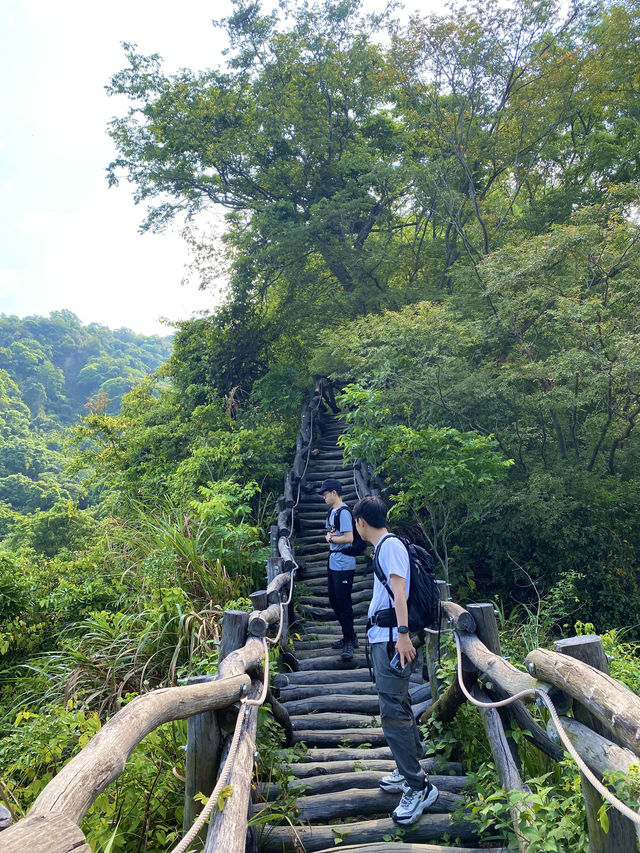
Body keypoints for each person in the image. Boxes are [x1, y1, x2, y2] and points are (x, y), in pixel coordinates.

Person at [353, 495, 439, 825]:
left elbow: (399, 591)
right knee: (399, 705)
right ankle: (408, 770)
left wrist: (403, 634)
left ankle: (418, 787)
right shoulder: (389, 545)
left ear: (361, 522)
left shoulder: (388, 547)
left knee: (392, 713)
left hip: (392, 641)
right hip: (388, 638)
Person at [319, 478, 358, 661]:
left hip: (344, 563)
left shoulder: (343, 512)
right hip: (334, 561)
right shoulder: (331, 512)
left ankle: (349, 639)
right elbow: (331, 532)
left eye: (325, 494)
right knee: (334, 600)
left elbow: (349, 538)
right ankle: (348, 635)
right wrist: (330, 537)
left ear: (334, 493)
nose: (324, 497)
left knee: (343, 602)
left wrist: (331, 539)